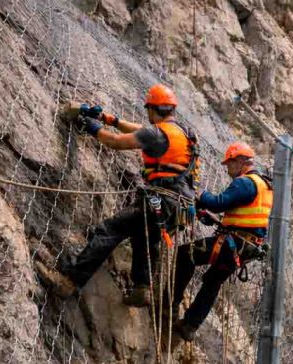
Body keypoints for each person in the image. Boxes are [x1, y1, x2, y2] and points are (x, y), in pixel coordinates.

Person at [36, 84, 198, 307]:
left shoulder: (156, 133)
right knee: (145, 235)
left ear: (152, 108)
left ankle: (69, 281)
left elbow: (115, 142)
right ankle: (142, 288)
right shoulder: (182, 132)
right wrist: (109, 119)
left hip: (162, 200)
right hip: (181, 207)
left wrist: (93, 127)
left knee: (110, 230)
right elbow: (141, 130)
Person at [168, 142, 272, 342]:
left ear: (240, 161)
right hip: (243, 247)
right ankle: (190, 325)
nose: (227, 169)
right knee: (212, 281)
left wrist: (198, 193)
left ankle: (171, 303)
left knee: (185, 254)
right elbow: (246, 217)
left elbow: (218, 203)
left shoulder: (245, 182)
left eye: (230, 164)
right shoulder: (265, 185)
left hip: (231, 244)